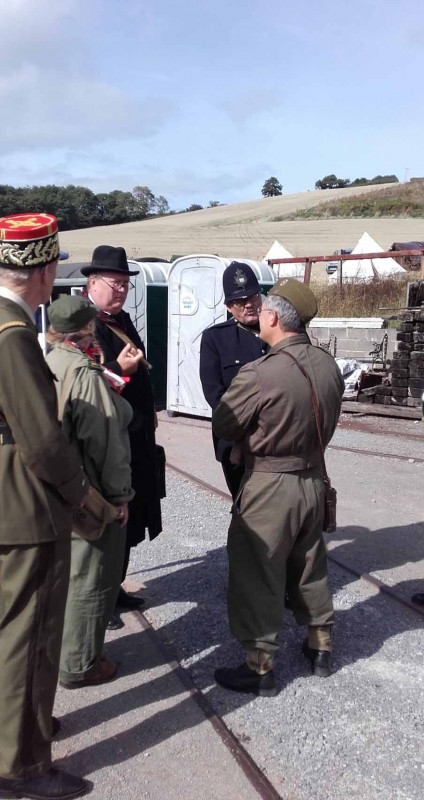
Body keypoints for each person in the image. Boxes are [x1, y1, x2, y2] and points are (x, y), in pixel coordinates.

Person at [0, 214, 89, 800]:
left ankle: (3, 733)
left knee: (2, 623)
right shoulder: (13, 337)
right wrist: (82, 496)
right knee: (29, 635)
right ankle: (21, 766)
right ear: (43, 269)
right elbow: (42, 439)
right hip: (26, 499)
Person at [212, 278, 345, 696]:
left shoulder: (260, 373)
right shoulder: (328, 365)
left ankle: (260, 666)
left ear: (271, 317)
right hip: (313, 478)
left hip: (269, 484)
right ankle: (320, 646)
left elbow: (224, 422)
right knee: (310, 564)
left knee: (258, 570)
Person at [45, 295, 134, 687]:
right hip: (90, 492)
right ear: (87, 329)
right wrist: (119, 497)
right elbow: (106, 442)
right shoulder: (83, 371)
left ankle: (66, 651)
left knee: (67, 576)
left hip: (59, 488)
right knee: (92, 578)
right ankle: (81, 664)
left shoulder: (48, 362)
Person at [81, 246, 163, 622]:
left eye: (125, 285)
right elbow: (84, 387)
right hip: (109, 442)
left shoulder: (120, 320)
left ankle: (114, 591)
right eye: (115, 284)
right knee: (107, 526)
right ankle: (98, 604)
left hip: (136, 439)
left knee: (130, 523)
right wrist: (119, 368)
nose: (121, 290)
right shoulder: (83, 326)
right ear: (92, 283)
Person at [199, 261, 267, 498]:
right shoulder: (215, 339)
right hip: (236, 443)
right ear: (229, 306)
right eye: (240, 301)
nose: (249, 304)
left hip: (276, 441)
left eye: (253, 297)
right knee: (246, 507)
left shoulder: (277, 333)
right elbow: (215, 396)